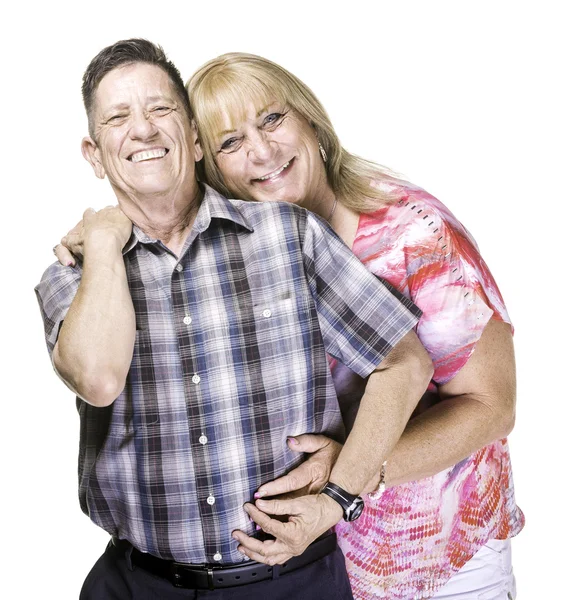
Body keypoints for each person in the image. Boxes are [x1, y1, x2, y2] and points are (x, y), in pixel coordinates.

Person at [37, 39, 433, 600]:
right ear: (95, 154)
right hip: (137, 586)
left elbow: (403, 363)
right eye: (118, 118)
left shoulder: (289, 235)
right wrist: (104, 242)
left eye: (160, 110)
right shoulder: (71, 276)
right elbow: (98, 381)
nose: (143, 129)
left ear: (195, 139)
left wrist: (338, 497)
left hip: (294, 582)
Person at [182, 53, 524, 599]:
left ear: (310, 121)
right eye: (230, 142)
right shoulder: (236, 256)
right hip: (321, 571)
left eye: (272, 119)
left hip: (444, 561)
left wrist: (352, 471)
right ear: (211, 169)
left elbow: (491, 406)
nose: (262, 151)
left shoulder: (414, 237)